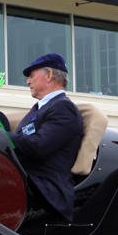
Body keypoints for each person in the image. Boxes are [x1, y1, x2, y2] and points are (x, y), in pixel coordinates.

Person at [9, 53, 83, 221]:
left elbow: (39, 146)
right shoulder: (40, 109)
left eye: (32, 76)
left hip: (45, 191)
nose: (28, 81)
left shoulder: (63, 108)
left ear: (49, 74)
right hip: (26, 182)